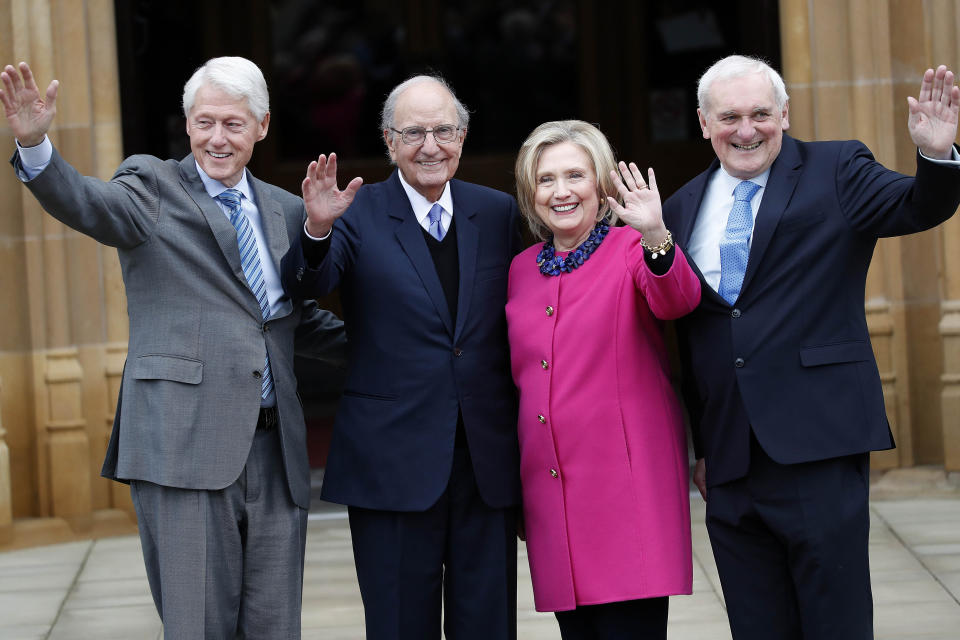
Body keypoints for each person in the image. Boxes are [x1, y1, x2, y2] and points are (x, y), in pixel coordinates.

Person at [0, 57, 347, 639]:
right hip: (183, 445)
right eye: (204, 121)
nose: (217, 138)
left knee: (276, 627)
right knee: (197, 627)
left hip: (275, 452)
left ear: (262, 126)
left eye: (233, 124)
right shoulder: (151, 186)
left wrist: (406, 350)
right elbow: (89, 204)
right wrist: (38, 149)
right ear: (187, 124)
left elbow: (289, 321)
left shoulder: (290, 209)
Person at [662, 55, 960, 639]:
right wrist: (701, 443)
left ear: (785, 115)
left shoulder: (837, 167)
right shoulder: (678, 208)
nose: (745, 130)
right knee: (756, 624)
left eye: (760, 115)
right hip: (729, 457)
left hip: (818, 443)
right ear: (703, 123)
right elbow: (692, 335)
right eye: (729, 117)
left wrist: (936, 158)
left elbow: (918, 206)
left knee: (835, 622)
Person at [281, 75, 522, 639]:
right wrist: (317, 228)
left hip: (482, 462)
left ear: (462, 136)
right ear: (389, 141)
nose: (430, 145)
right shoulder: (355, 211)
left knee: (488, 625)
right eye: (414, 132)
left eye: (443, 130)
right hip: (390, 460)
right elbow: (309, 281)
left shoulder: (497, 212)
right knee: (397, 627)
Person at [506, 120, 701, 639]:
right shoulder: (522, 269)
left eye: (576, 175)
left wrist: (656, 234)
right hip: (553, 496)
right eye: (546, 179)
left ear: (601, 184)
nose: (561, 191)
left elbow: (677, 297)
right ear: (531, 193)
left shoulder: (632, 249)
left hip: (625, 498)